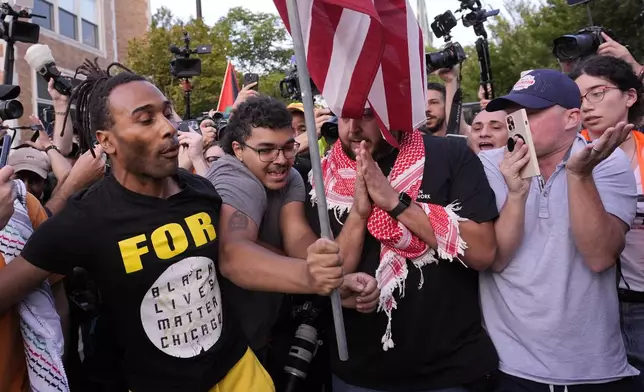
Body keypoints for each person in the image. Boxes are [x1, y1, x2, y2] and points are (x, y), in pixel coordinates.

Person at [0, 60, 329, 391]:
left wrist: (311, 266)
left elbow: (237, 247)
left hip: (238, 370)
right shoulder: (86, 216)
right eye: (146, 119)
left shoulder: (200, 190)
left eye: (167, 113)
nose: (169, 127)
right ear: (107, 140)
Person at [306, 103, 499, 392]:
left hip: (448, 372)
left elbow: (483, 253)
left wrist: (395, 202)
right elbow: (335, 275)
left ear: (392, 113)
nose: (353, 128)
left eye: (367, 115)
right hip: (358, 373)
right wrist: (359, 214)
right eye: (345, 116)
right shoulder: (323, 176)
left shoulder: (448, 155)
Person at [480, 69, 639, 391]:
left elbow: (599, 256)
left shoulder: (607, 163)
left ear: (572, 118)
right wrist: (516, 190)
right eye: (512, 114)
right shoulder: (489, 164)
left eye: (531, 113)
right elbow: (494, 258)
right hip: (507, 364)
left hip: (592, 366)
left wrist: (579, 175)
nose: (517, 122)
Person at [207, 96, 378, 365]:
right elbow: (233, 255)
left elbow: (298, 239)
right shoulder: (233, 176)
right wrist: (316, 279)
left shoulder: (291, 178)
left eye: (288, 147)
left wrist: (357, 217)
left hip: (263, 335)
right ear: (238, 149)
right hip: (222, 348)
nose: (281, 160)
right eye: (266, 150)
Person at [571, 55, 644, 387]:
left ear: (630, 96)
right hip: (597, 305)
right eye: (579, 98)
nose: (587, 106)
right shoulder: (567, 157)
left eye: (597, 93)